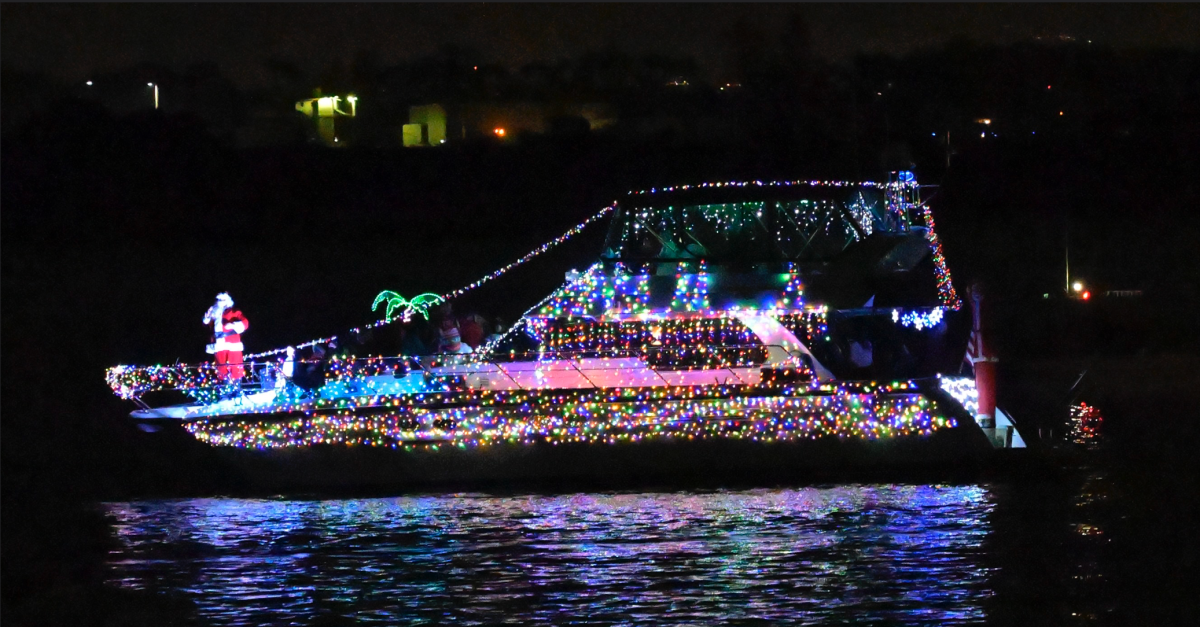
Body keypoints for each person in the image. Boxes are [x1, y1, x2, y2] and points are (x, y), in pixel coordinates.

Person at [203, 292, 249, 381]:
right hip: (218, 344)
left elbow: (245, 323)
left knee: (235, 367)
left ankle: (237, 388)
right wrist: (207, 318)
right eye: (218, 300)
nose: (220, 302)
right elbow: (208, 325)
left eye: (222, 300)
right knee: (221, 368)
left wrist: (233, 325)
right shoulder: (214, 313)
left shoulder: (234, 311)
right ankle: (225, 389)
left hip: (232, 343)